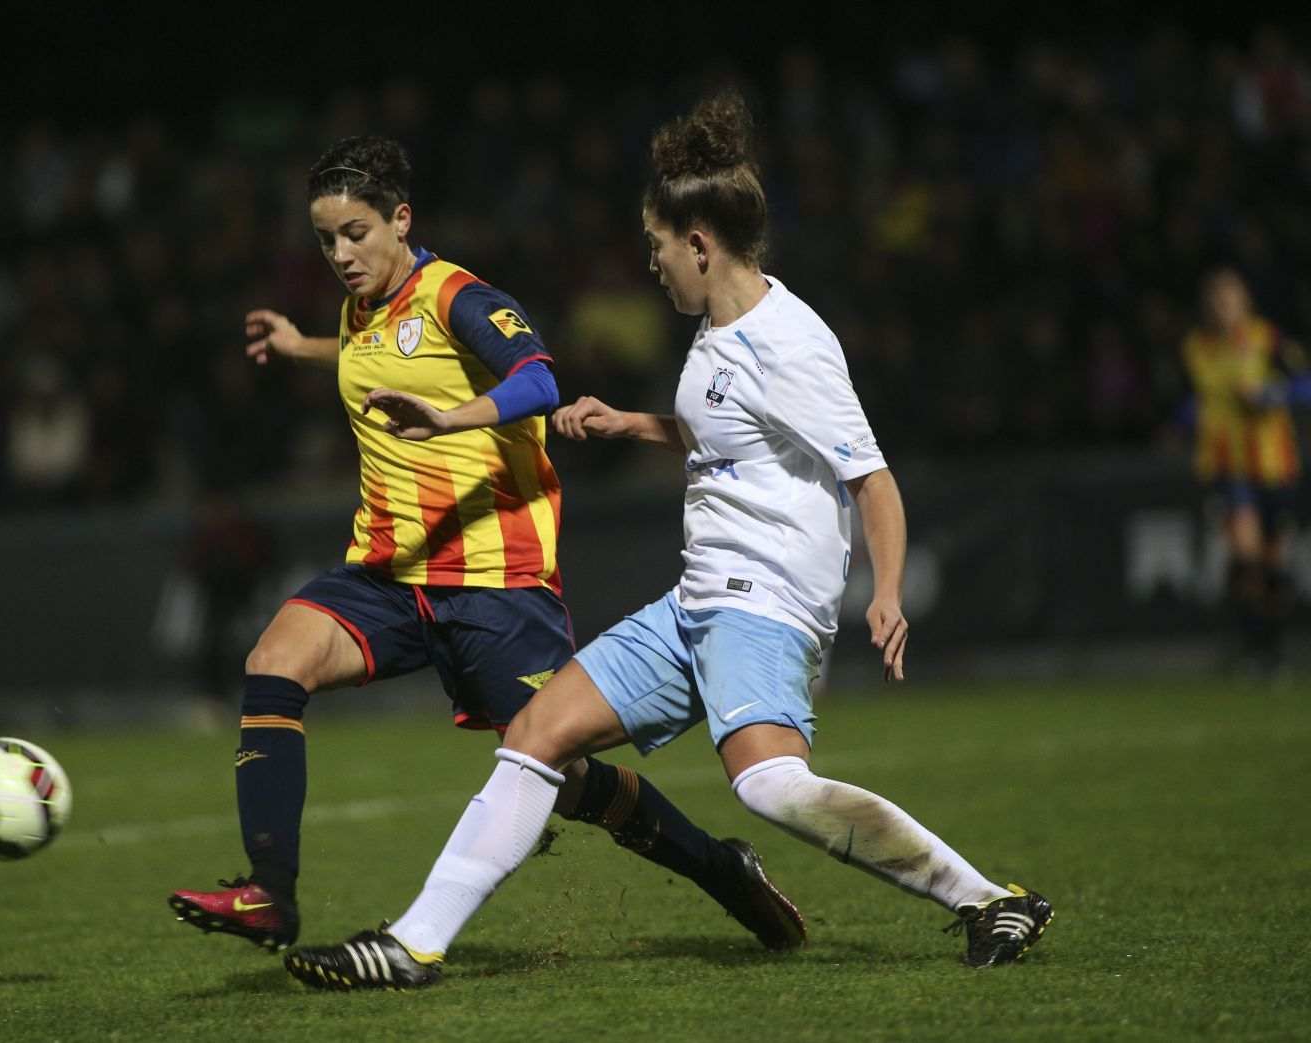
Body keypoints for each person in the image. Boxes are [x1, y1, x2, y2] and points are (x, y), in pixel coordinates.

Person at [283, 93, 1054, 990]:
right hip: (695, 604)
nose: (651, 267)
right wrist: (635, 424)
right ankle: (412, 943)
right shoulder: (712, 330)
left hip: (764, 608)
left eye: (656, 248)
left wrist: (883, 593)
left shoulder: (791, 343)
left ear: (699, 243)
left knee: (769, 787)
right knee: (536, 734)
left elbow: (870, 478)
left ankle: (988, 896)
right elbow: (726, 432)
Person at [167, 135, 806, 955]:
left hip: (494, 581)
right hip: (389, 572)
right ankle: (269, 895)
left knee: (565, 777)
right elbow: (378, 354)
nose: (340, 253)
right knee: (272, 662)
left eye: (356, 232)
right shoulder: (363, 312)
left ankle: (722, 869)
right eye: (326, 238)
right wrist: (302, 347)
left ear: (401, 220)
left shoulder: (460, 296)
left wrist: (449, 419)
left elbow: (539, 378)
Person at [1181, 267, 1305, 677]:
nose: (1223, 307)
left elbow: (1305, 384)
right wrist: (1181, 423)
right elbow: (1194, 400)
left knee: (1273, 564)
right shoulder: (1197, 348)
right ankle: (1254, 649)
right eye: (1216, 300)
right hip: (1229, 469)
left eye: (1230, 299)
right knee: (1246, 556)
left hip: (1275, 466)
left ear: (1244, 302)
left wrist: (1271, 394)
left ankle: (1274, 648)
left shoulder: (1266, 339)